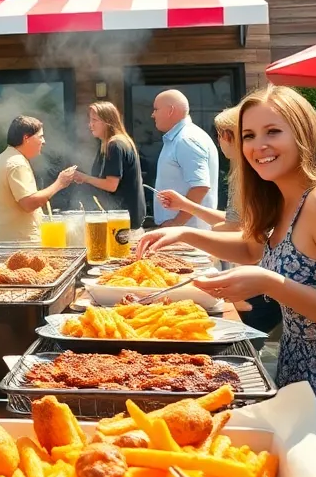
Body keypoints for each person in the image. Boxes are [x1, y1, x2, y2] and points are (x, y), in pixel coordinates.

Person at [138, 85, 316, 477]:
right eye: (249, 136)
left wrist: (271, 284)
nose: (258, 146)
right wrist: (186, 232)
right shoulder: (286, 199)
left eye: (273, 132)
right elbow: (254, 250)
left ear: (303, 133)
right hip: (300, 374)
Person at [159, 104, 282, 338]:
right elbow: (234, 221)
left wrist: (193, 234)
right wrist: (185, 206)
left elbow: (238, 229)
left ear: (225, 136)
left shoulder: (250, 174)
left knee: (248, 337)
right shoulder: (245, 171)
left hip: (255, 283)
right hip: (255, 278)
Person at [0, 115, 77, 244]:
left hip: (5, 244)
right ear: (26, 138)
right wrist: (60, 183)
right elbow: (29, 203)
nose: (44, 141)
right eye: (40, 136)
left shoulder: (8, 158)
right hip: (12, 247)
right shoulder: (17, 163)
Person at [72, 101, 145, 229]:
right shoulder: (115, 143)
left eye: (95, 120)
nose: (90, 125)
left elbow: (111, 185)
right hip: (125, 217)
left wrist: (84, 177)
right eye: (90, 120)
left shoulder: (114, 145)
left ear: (108, 121)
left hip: (122, 220)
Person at [151, 90, 218, 229]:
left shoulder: (186, 140)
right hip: (184, 233)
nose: (152, 115)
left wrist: (176, 223)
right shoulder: (182, 138)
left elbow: (200, 187)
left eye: (156, 109)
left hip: (188, 235)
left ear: (170, 111)